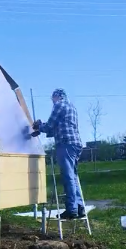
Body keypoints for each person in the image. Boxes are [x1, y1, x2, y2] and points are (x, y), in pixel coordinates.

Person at [32, 89, 85, 220]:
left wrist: (39, 126)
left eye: (53, 98)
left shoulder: (59, 105)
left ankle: (71, 209)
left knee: (68, 177)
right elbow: (57, 127)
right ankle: (80, 207)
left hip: (65, 144)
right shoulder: (71, 107)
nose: (52, 101)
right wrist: (42, 128)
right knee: (73, 176)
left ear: (57, 96)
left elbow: (50, 125)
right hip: (75, 144)